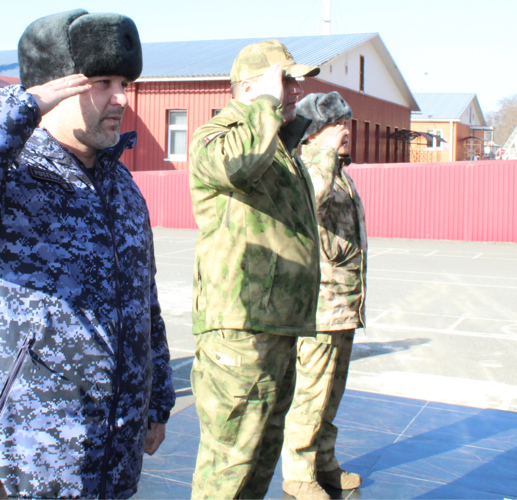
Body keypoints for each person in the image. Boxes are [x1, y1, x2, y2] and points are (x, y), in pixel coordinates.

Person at [0, 9, 175, 499]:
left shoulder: (121, 184)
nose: (122, 98)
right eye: (102, 82)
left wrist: (157, 397)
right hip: (35, 449)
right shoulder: (15, 175)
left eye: (124, 82)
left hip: (118, 445)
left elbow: (146, 299)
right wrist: (21, 107)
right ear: (53, 89)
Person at [188, 39, 321, 499]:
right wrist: (265, 101)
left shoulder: (276, 142)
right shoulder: (218, 135)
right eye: (286, 80)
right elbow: (238, 167)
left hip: (277, 324)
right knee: (229, 463)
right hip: (239, 330)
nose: (296, 91)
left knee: (262, 456)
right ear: (250, 87)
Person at [279, 92, 367, 500]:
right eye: (336, 124)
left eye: (345, 123)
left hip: (343, 305)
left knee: (331, 394)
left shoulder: (338, 170)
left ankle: (324, 463)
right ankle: (298, 474)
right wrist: (326, 155)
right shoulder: (308, 167)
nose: (345, 131)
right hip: (320, 307)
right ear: (314, 132)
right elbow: (307, 207)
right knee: (311, 395)